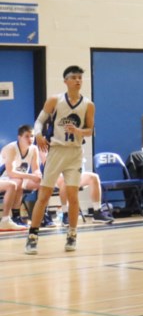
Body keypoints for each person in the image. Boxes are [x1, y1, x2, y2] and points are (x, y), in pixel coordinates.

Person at [24, 65, 95, 255]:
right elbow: (39, 120)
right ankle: (32, 236)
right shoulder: (55, 100)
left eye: (80, 77)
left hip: (74, 153)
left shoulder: (88, 104)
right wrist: (38, 134)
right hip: (55, 151)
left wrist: (80, 132)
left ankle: (72, 234)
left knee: (73, 196)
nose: (78, 80)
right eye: (74, 77)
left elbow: (90, 130)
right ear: (66, 81)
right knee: (44, 196)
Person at [1, 125, 41, 230]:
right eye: (26, 136)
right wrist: (31, 176)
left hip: (20, 177)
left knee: (43, 184)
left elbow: (35, 168)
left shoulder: (34, 149)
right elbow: (10, 173)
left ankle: (43, 215)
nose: (30, 139)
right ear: (19, 137)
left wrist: (38, 175)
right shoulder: (12, 148)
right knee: (16, 182)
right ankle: (10, 218)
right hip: (4, 178)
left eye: (32, 136)